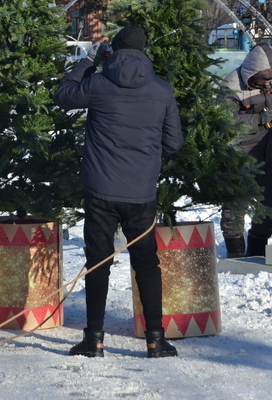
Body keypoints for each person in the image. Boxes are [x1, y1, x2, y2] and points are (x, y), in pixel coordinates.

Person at [54, 25, 183, 359]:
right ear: (144, 52)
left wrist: (87, 62)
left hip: (100, 190)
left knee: (98, 263)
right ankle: (155, 339)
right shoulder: (162, 91)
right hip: (141, 193)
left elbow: (63, 95)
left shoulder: (98, 84)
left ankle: (93, 340)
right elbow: (173, 143)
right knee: (147, 264)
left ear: (112, 51)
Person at [219, 42, 272, 258]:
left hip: (264, 154)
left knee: (271, 204)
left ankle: (257, 250)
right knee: (235, 207)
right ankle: (235, 255)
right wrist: (259, 120)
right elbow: (225, 119)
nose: (268, 83)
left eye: (271, 79)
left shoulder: (271, 84)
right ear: (252, 73)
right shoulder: (232, 86)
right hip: (237, 156)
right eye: (264, 79)